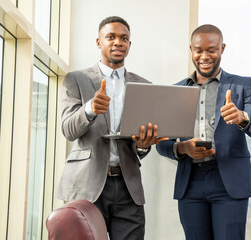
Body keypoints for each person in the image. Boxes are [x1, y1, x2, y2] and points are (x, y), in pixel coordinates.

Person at [56, 16, 167, 240]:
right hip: (87, 185)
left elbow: (140, 144)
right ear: (99, 42)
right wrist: (89, 109)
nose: (118, 42)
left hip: (128, 187)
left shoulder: (144, 86)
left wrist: (144, 146)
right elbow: (68, 130)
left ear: (129, 45)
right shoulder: (76, 79)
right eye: (111, 37)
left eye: (124, 38)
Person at [156, 24, 251, 240]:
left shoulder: (242, 85)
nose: (205, 56)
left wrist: (242, 118)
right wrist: (182, 147)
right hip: (190, 182)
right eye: (199, 50)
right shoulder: (175, 90)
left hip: (229, 182)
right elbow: (162, 143)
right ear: (191, 49)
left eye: (212, 50)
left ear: (222, 49)